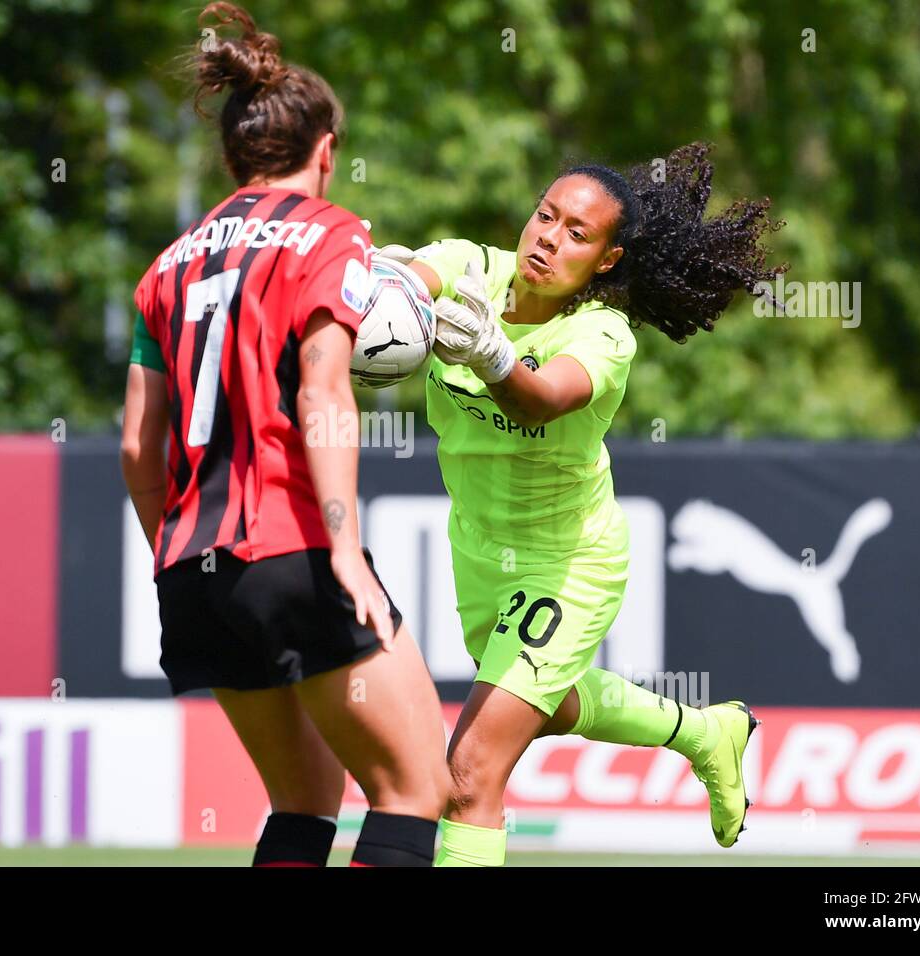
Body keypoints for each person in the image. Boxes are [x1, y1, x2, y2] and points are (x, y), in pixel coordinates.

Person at [384, 144, 784, 865]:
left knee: (470, 772)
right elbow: (408, 279)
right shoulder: (466, 266)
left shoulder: (603, 334)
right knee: (545, 705)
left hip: (568, 563)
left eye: (577, 233)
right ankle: (702, 732)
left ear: (605, 260)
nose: (548, 238)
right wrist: (380, 288)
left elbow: (541, 401)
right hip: (478, 547)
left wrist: (490, 354)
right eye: (546, 216)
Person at [121, 2, 449, 867]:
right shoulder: (329, 233)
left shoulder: (167, 264)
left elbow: (134, 446)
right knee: (417, 789)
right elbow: (325, 392)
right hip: (294, 550)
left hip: (194, 569)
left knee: (304, 801)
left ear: (232, 156)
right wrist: (343, 551)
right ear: (326, 150)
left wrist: (174, 545)